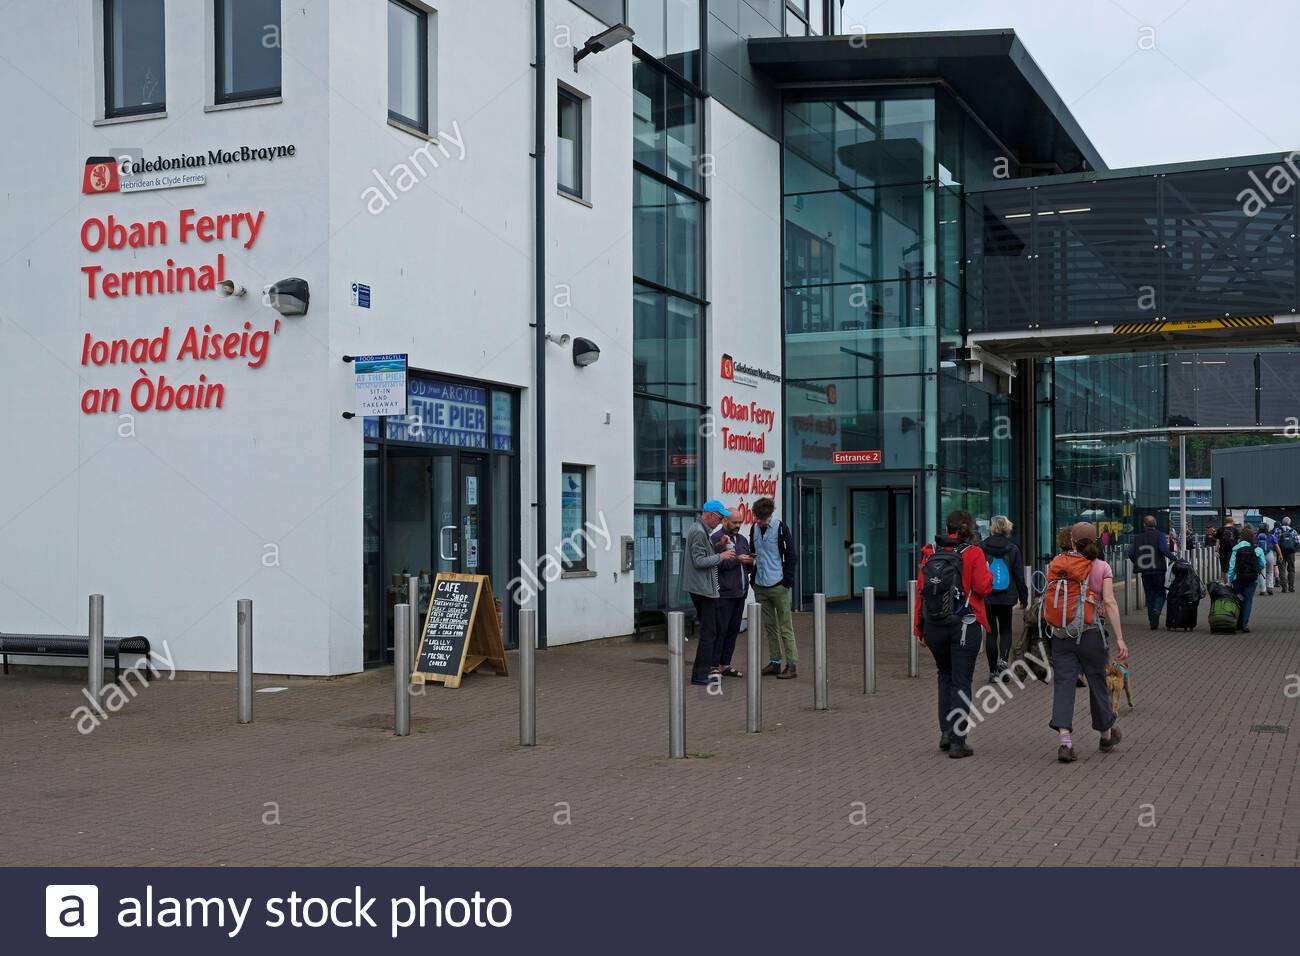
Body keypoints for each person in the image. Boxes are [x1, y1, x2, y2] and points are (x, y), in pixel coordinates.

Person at [1045, 522, 1129, 763]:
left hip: (1061, 634)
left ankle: (1065, 742)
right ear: (1096, 541)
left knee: (1063, 684)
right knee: (1097, 682)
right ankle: (1105, 734)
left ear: (1072, 541)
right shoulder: (1101, 566)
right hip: (1091, 634)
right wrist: (1120, 638)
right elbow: (1110, 602)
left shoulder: (1058, 562)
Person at [914, 510, 993, 759]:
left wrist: (919, 627)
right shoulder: (974, 553)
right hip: (964, 625)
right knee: (961, 681)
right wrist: (988, 572)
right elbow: (983, 586)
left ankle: (946, 733)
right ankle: (959, 741)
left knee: (944, 677)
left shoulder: (930, 555)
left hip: (934, 625)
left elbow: (921, 593)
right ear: (969, 528)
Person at [683, 500, 735, 686]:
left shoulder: (701, 530)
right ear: (710, 515)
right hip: (702, 589)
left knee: (711, 630)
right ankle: (700, 674)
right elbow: (699, 561)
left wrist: (719, 546)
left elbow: (704, 554)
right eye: (719, 518)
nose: (720, 523)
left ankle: (701, 672)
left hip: (704, 587)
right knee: (709, 632)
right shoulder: (698, 531)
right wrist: (721, 556)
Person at [749, 497, 799, 679]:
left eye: (762, 518)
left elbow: (792, 555)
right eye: (757, 518)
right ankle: (775, 662)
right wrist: (752, 578)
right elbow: (752, 552)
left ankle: (792, 664)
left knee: (785, 626)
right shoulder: (754, 528)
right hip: (760, 585)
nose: (759, 521)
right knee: (769, 627)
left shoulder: (780, 528)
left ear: (769, 515)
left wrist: (787, 581)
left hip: (778, 584)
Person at [980, 515, 1028, 683]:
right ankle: (1003, 664)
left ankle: (993, 672)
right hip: (1007, 596)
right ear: (1007, 528)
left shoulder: (983, 546)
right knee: (1006, 630)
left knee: (991, 631)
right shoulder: (1013, 548)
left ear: (992, 528)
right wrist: (1024, 597)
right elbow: (1019, 576)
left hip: (988, 596)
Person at [709, 508, 753, 678]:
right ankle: (713, 665)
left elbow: (745, 564)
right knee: (721, 630)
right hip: (724, 592)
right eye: (734, 522)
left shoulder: (742, 539)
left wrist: (750, 561)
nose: (737, 525)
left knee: (733, 630)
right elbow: (717, 564)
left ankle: (725, 664)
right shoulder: (715, 539)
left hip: (740, 592)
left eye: (740, 522)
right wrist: (738, 560)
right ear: (725, 521)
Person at [1128, 515, 1174, 631]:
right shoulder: (1160, 535)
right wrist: (1175, 559)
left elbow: (1130, 553)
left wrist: (1138, 561)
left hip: (1145, 571)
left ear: (1144, 525)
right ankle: (1157, 610)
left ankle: (1153, 622)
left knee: (1149, 595)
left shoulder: (1138, 538)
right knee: (1161, 593)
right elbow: (1164, 550)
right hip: (1158, 569)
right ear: (1155, 524)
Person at [1227, 523, 1265, 633]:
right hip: (1251, 579)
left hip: (1237, 578)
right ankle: (1244, 624)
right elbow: (1262, 564)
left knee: (1238, 599)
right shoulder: (1257, 550)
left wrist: (1229, 580)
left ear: (1241, 537)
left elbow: (1232, 566)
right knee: (1248, 600)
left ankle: (1236, 622)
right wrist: (1255, 570)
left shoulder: (1236, 549)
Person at [1257, 521, 1282, 596]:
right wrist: (1280, 555)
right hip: (1270, 554)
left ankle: (1263, 590)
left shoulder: (1256, 536)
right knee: (1270, 572)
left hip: (1260, 555)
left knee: (1261, 573)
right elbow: (1277, 546)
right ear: (1267, 528)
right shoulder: (1271, 536)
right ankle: (1270, 587)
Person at [1279, 517, 1298, 593]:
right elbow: (1297, 542)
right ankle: (1291, 586)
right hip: (1291, 552)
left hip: (1281, 552)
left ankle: (1284, 588)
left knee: (1282, 569)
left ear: (1282, 522)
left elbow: (1275, 542)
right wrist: (1292, 547)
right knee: (1291, 569)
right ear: (1289, 523)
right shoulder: (1293, 531)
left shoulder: (1278, 530)